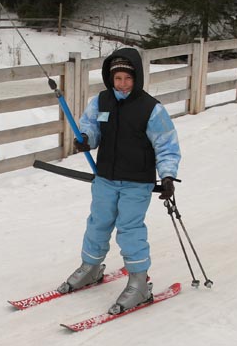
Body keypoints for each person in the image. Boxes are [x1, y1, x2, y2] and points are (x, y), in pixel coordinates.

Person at [57, 47, 181, 315]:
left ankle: (139, 282)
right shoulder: (101, 101)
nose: (122, 84)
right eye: (117, 79)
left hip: (137, 182)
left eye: (128, 78)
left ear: (137, 78)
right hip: (106, 178)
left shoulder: (151, 109)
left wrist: (168, 175)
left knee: (129, 228)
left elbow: (167, 145)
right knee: (98, 222)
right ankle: (90, 267)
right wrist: (86, 139)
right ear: (109, 79)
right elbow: (90, 125)